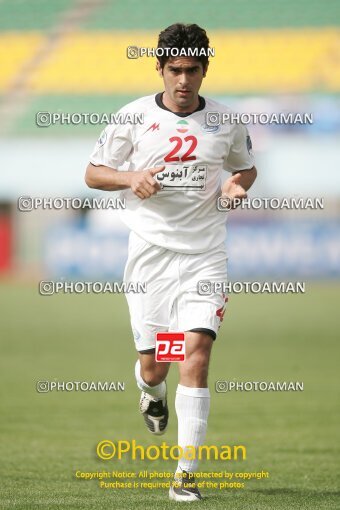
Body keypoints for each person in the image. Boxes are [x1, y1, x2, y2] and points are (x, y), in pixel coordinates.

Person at [85, 22, 257, 502]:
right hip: (151, 259)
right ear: (159, 68)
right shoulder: (133, 118)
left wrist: (238, 184)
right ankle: (151, 392)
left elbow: (245, 166)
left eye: (193, 71)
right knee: (156, 367)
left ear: (205, 70)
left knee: (196, 355)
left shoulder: (226, 121)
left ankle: (185, 474)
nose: (183, 81)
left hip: (206, 256)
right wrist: (130, 177)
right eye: (175, 70)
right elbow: (93, 173)